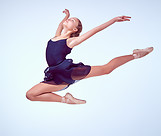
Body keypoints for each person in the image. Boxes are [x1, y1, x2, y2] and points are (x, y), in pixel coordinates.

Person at [26, 9, 154, 104]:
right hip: (55, 75)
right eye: (71, 19)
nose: (70, 20)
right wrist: (67, 16)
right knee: (30, 95)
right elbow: (60, 25)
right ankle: (66, 100)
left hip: (67, 72)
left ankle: (136, 55)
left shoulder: (71, 41)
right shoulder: (56, 36)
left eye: (73, 21)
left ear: (75, 30)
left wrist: (113, 20)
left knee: (106, 69)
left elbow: (95, 30)